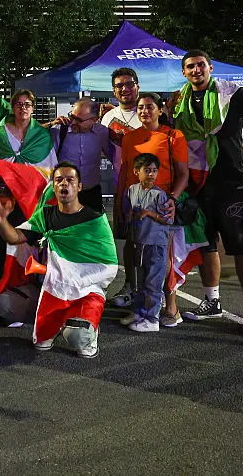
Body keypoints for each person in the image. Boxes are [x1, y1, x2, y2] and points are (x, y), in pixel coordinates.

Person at [171, 50, 243, 334]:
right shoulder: (179, 101)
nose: (196, 70)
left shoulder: (232, 94)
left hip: (231, 183)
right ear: (184, 72)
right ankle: (211, 301)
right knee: (206, 245)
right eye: (190, 67)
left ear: (210, 67)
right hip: (198, 184)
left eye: (200, 65)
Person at [0, 163, 117, 359]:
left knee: (77, 337)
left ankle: (88, 330)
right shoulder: (46, 215)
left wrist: (77, 280)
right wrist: (0, 220)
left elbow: (109, 266)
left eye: (70, 180)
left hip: (86, 291)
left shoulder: (95, 220)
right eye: (58, 180)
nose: (64, 184)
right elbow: (14, 237)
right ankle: (62, 322)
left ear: (79, 187)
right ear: (54, 186)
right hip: (55, 289)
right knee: (31, 334)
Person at [119, 92, 188, 325]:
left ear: (160, 110)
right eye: (140, 107)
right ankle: (142, 309)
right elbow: (124, 172)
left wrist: (173, 199)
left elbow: (183, 174)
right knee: (139, 259)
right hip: (136, 205)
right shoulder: (129, 138)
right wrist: (121, 203)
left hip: (161, 206)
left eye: (149, 107)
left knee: (161, 260)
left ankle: (169, 309)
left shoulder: (173, 136)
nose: (144, 111)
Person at [101, 67, 142, 308]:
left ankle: (152, 291)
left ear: (137, 85)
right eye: (119, 85)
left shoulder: (148, 110)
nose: (125, 88)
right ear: (114, 90)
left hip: (151, 189)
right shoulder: (108, 118)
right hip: (123, 187)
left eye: (129, 83)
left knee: (153, 242)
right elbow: (107, 149)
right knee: (127, 239)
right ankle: (130, 286)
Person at [120, 153, 172, 333]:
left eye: (154, 171)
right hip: (139, 243)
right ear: (136, 172)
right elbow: (129, 213)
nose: (151, 175)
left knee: (153, 283)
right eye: (147, 170)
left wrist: (149, 214)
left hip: (155, 244)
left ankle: (152, 319)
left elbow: (168, 220)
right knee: (139, 282)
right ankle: (139, 313)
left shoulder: (160, 194)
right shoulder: (131, 190)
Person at [47, 98, 114, 213]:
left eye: (78, 120)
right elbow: (29, 134)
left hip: (91, 193)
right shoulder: (59, 130)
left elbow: (114, 156)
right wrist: (49, 124)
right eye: (72, 116)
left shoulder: (102, 132)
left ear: (94, 119)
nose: (73, 122)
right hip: (65, 193)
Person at [0, 89, 57, 178]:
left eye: (27, 104)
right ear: (13, 108)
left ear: (32, 109)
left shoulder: (42, 135)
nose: (23, 108)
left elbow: (50, 164)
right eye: (19, 104)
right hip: (5, 186)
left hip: (34, 186)